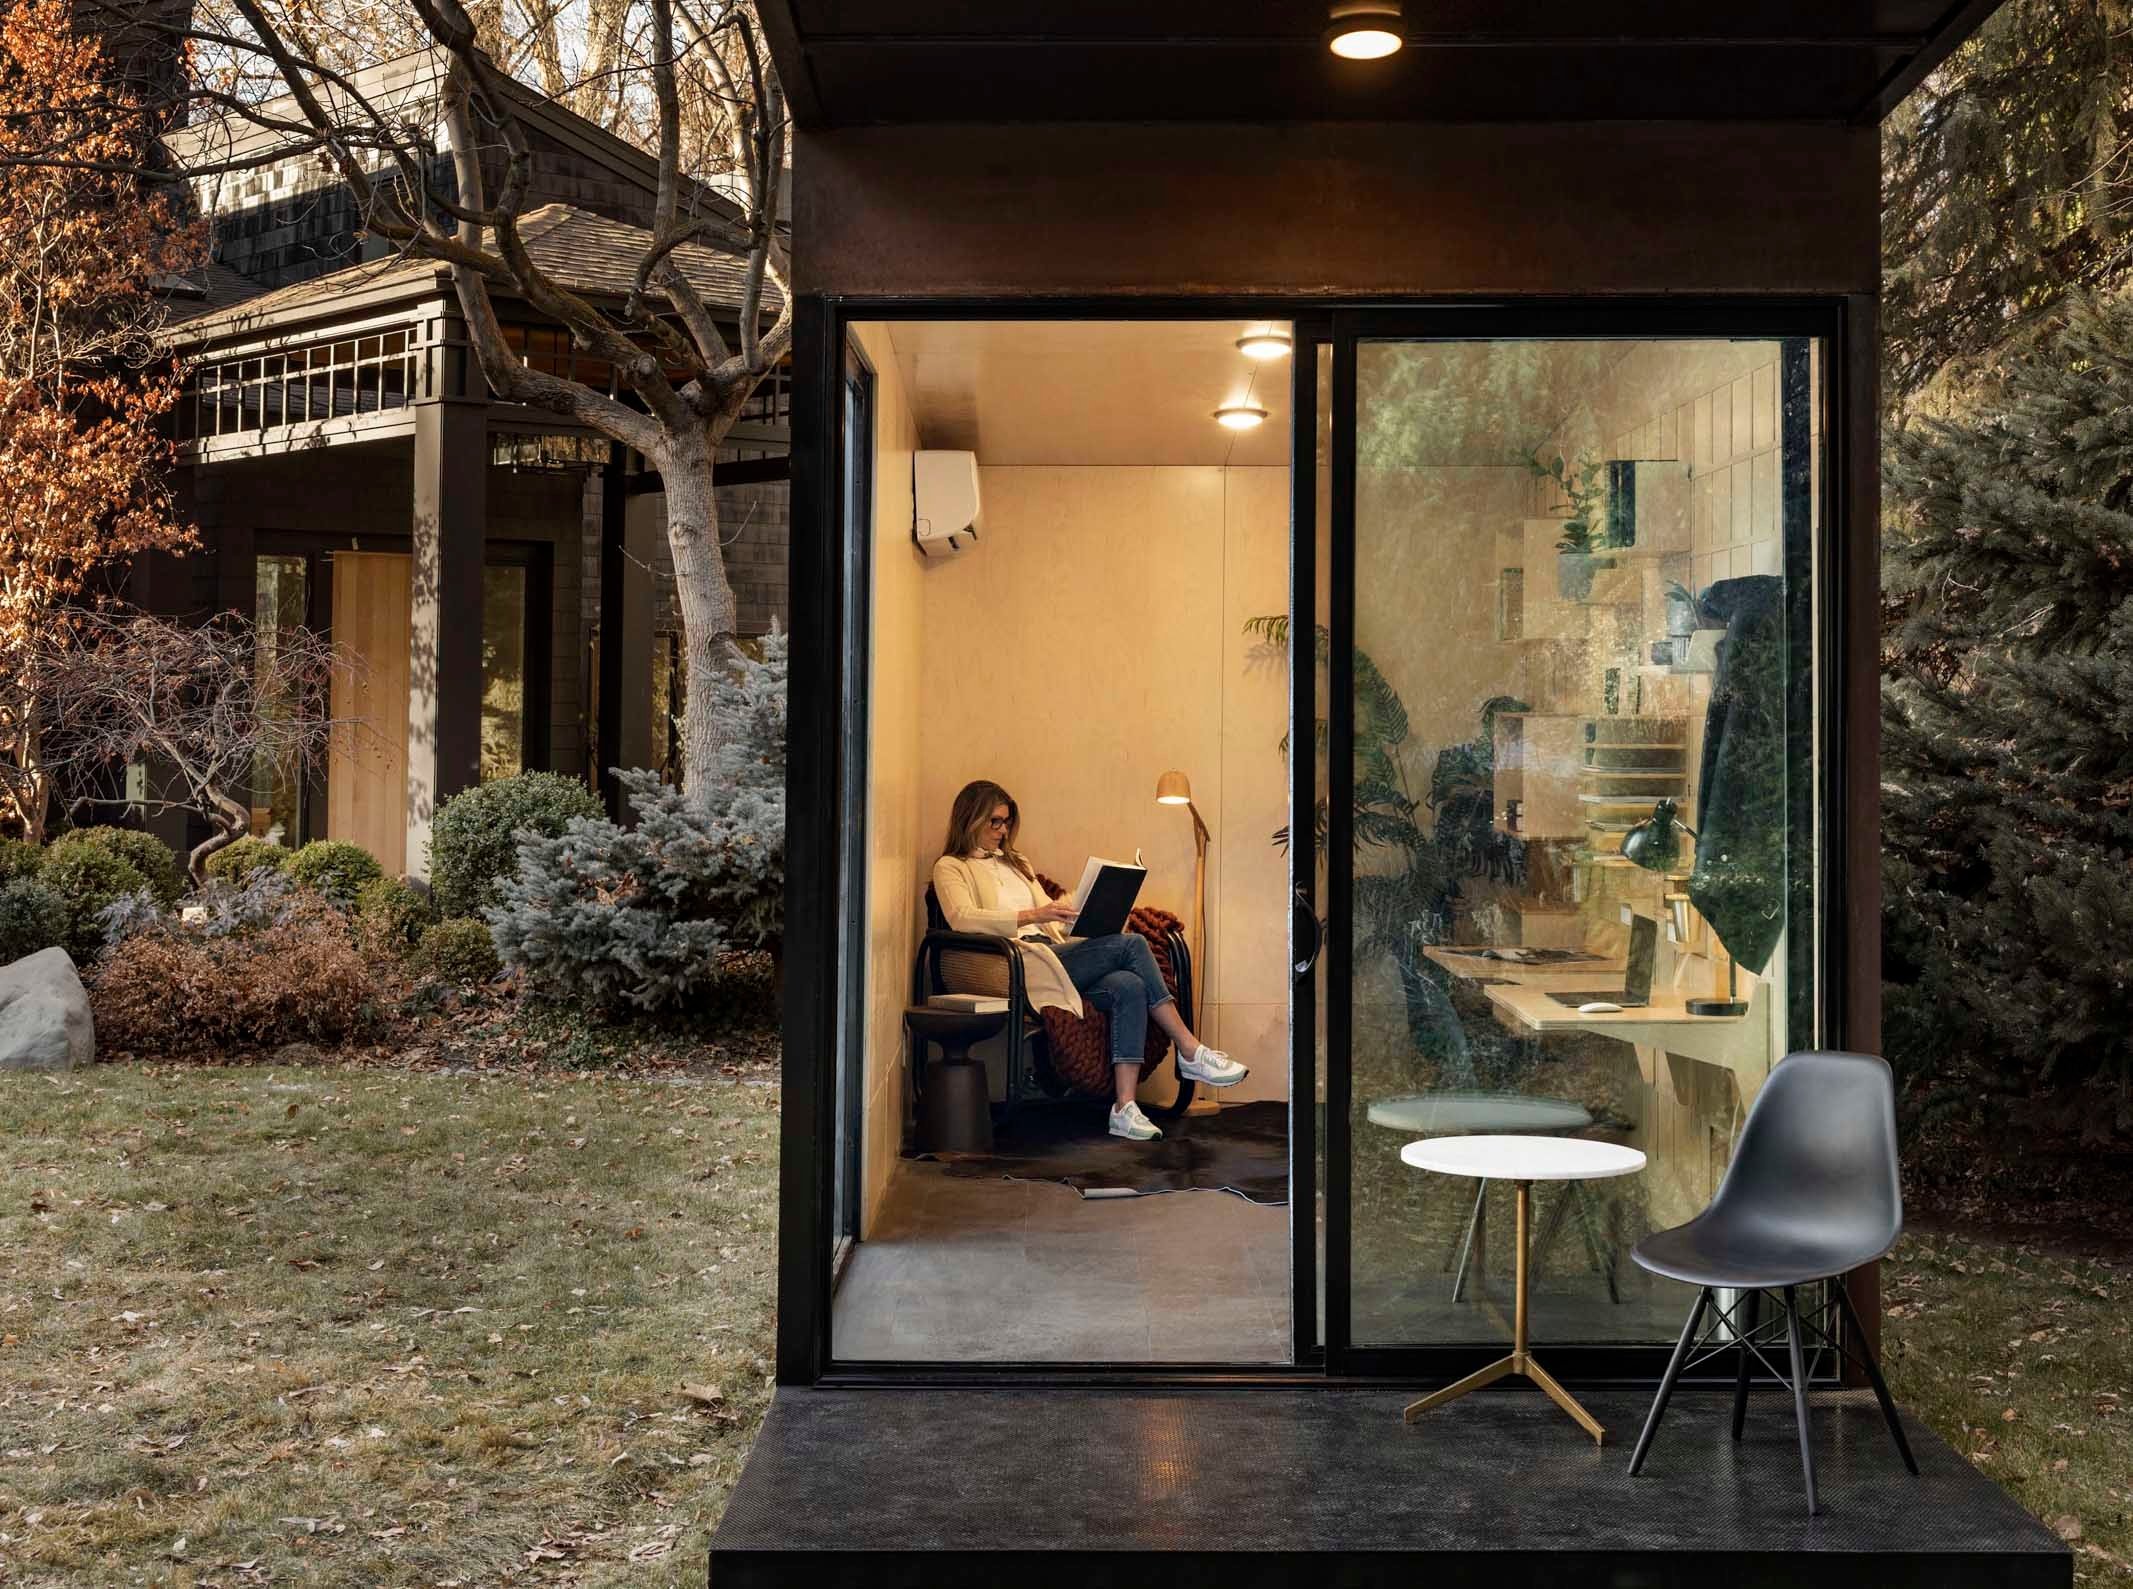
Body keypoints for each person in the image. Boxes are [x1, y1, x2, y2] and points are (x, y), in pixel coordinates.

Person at [930, 778, 1248, 1142]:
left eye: (1006, 822)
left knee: (1129, 985)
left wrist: (1086, 909)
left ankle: (1124, 1108)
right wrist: (1034, 915)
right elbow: (962, 917)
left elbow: (1053, 923)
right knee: (1133, 946)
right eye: (994, 822)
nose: (1002, 832)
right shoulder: (951, 867)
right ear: (970, 819)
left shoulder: (1018, 864)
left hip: (1053, 953)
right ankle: (1189, 1049)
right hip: (1017, 963)